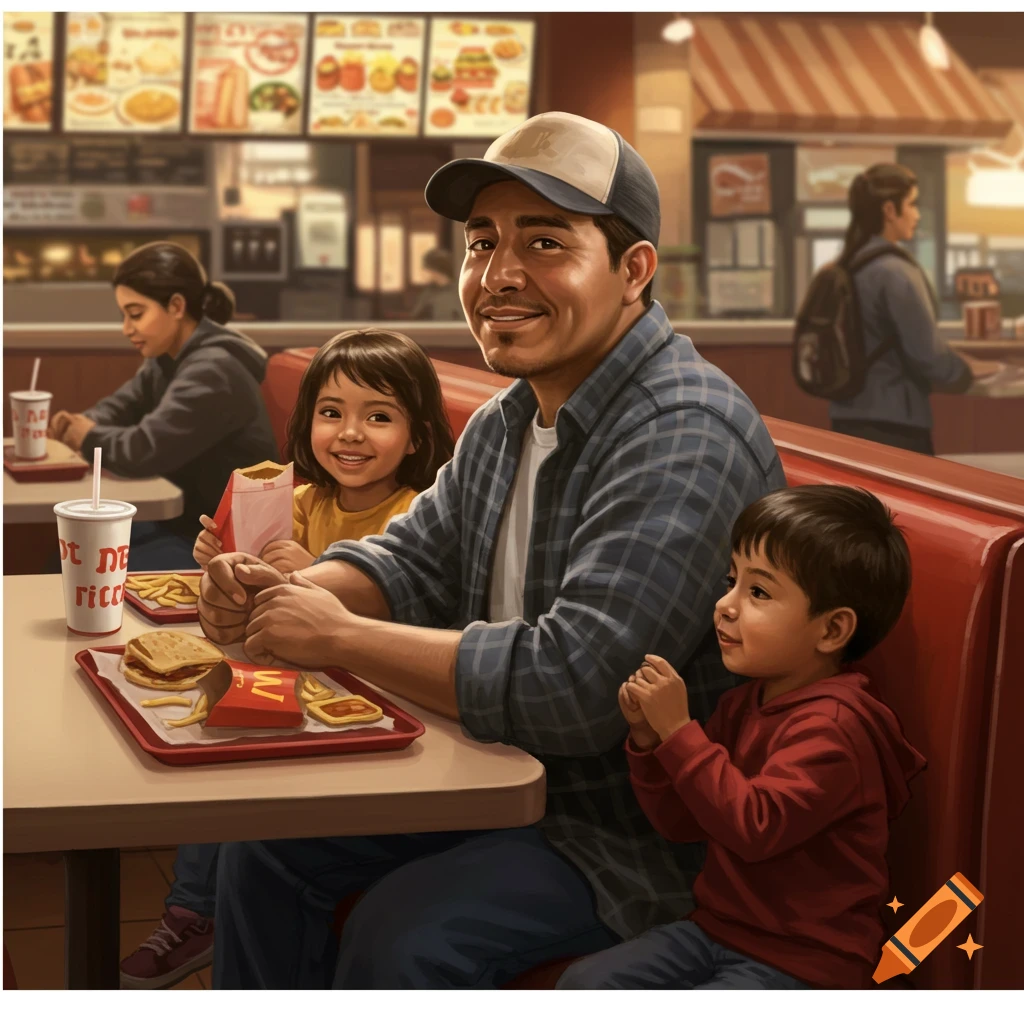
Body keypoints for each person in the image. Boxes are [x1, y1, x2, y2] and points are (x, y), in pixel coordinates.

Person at [199, 111, 787, 989]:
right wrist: (277, 598)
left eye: (545, 242)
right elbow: (408, 560)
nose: (499, 275)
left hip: (623, 830)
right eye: (482, 243)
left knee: (403, 938)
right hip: (488, 774)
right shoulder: (512, 418)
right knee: (260, 850)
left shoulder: (681, 432)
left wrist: (336, 637)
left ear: (633, 271)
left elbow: (580, 684)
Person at [119, 329, 455, 989]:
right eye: (332, 413)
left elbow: (407, 625)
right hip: (296, 691)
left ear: (416, 437)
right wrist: (225, 568)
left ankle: (205, 916)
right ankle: (194, 911)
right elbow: (254, 617)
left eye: (378, 416)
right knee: (207, 737)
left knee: (231, 758)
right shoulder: (298, 501)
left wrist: (316, 574)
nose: (350, 433)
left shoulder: (418, 513)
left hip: (368, 710)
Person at [558, 485, 927, 990]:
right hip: (717, 931)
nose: (725, 605)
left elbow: (754, 828)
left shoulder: (838, 728)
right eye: (732, 581)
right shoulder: (743, 703)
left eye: (758, 592)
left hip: (810, 963)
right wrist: (649, 743)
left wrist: (679, 732)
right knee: (585, 986)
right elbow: (683, 823)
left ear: (832, 630)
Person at [47, 242, 278, 571]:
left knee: (80, 563)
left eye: (136, 314)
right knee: (75, 551)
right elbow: (120, 406)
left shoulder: (214, 369)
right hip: (182, 525)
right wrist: (81, 423)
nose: (127, 328)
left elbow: (144, 450)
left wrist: (85, 436)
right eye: (125, 315)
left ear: (176, 306)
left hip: (219, 544)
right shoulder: (167, 360)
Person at [828, 164, 1001, 455]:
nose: (917, 214)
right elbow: (928, 356)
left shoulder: (845, 265)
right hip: (895, 423)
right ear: (889, 211)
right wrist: (971, 371)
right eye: (912, 204)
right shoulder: (896, 272)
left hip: (846, 416)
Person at [409, 247, 465, 321]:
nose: (422, 272)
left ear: (435, 269)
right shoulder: (428, 293)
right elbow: (415, 318)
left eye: (425, 268)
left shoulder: (460, 291)